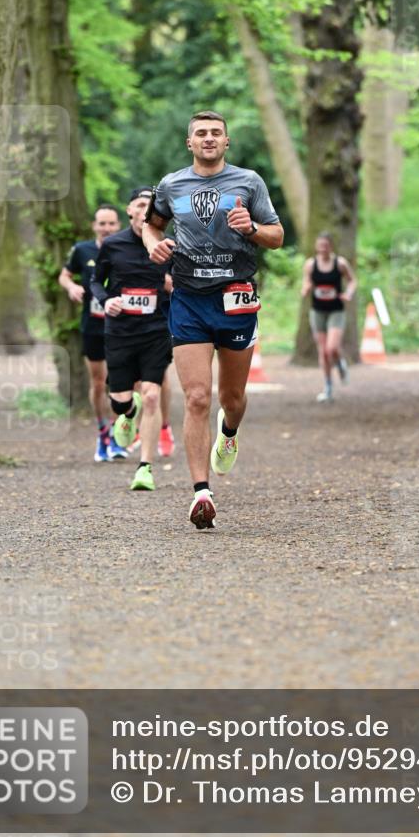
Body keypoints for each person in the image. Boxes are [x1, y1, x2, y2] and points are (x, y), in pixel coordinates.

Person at [143, 110, 284, 529]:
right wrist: (154, 245)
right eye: (201, 134)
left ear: (227, 142)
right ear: (190, 143)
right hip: (188, 299)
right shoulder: (171, 184)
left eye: (215, 134)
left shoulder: (249, 182)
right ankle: (201, 492)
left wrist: (252, 227)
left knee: (232, 399)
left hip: (235, 297)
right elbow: (152, 226)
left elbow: (277, 237)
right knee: (198, 397)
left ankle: (229, 433)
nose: (208, 139)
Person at [91, 188, 173, 491]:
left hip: (156, 331)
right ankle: (128, 412)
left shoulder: (168, 247)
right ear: (129, 210)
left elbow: (180, 285)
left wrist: (172, 285)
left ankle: (145, 467)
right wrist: (106, 300)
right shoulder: (113, 245)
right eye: (140, 204)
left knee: (153, 395)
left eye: (151, 205)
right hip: (120, 332)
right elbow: (96, 281)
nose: (145, 209)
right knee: (120, 401)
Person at [59, 204, 129, 462]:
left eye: (111, 223)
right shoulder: (82, 250)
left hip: (122, 326)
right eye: (102, 223)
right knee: (98, 382)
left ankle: (117, 433)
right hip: (93, 326)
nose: (106, 228)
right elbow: (64, 275)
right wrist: (71, 287)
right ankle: (102, 434)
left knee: (121, 382)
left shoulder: (126, 248)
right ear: (94, 226)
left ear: (118, 225)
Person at [301, 232, 356, 402]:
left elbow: (352, 280)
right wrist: (306, 288)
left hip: (336, 311)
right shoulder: (311, 264)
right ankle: (328, 387)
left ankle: (341, 365)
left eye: (326, 245)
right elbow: (307, 280)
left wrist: (348, 293)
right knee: (323, 352)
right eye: (320, 245)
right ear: (316, 246)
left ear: (331, 246)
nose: (323, 248)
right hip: (317, 311)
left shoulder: (340, 263)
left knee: (332, 348)